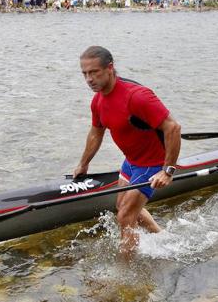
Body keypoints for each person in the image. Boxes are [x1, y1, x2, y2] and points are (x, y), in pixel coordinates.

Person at [74, 46, 181, 257]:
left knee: (125, 216)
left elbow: (173, 128)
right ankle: (162, 237)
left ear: (110, 68)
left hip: (153, 162)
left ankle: (126, 273)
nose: (89, 79)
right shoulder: (98, 100)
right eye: (85, 73)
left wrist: (168, 170)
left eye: (94, 72)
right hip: (131, 161)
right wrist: (83, 164)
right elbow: (96, 133)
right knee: (122, 206)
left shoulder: (136, 97)